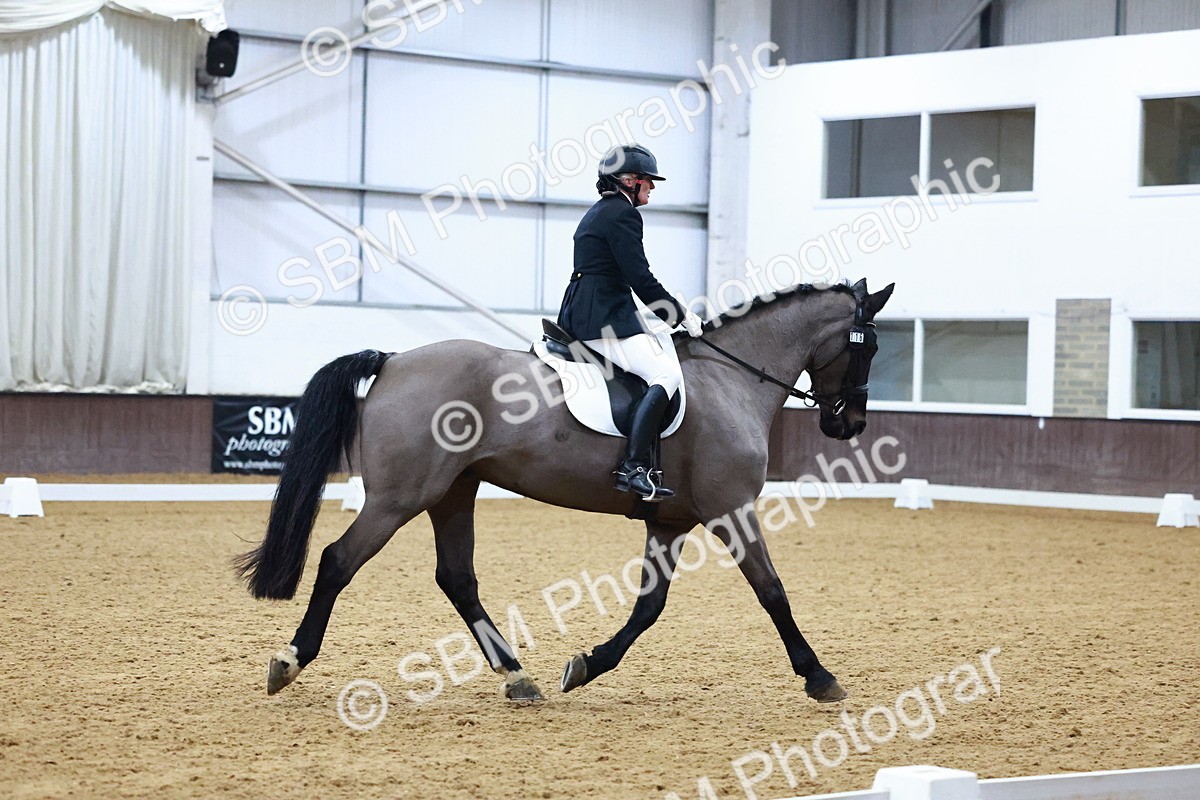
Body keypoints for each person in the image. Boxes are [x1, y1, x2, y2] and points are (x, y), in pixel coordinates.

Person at [556, 144, 704, 501]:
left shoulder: (599, 211)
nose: (652, 188)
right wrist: (678, 315)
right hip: (604, 318)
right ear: (632, 181)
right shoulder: (623, 214)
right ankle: (633, 466)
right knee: (666, 375)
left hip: (587, 311)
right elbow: (639, 276)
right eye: (649, 182)